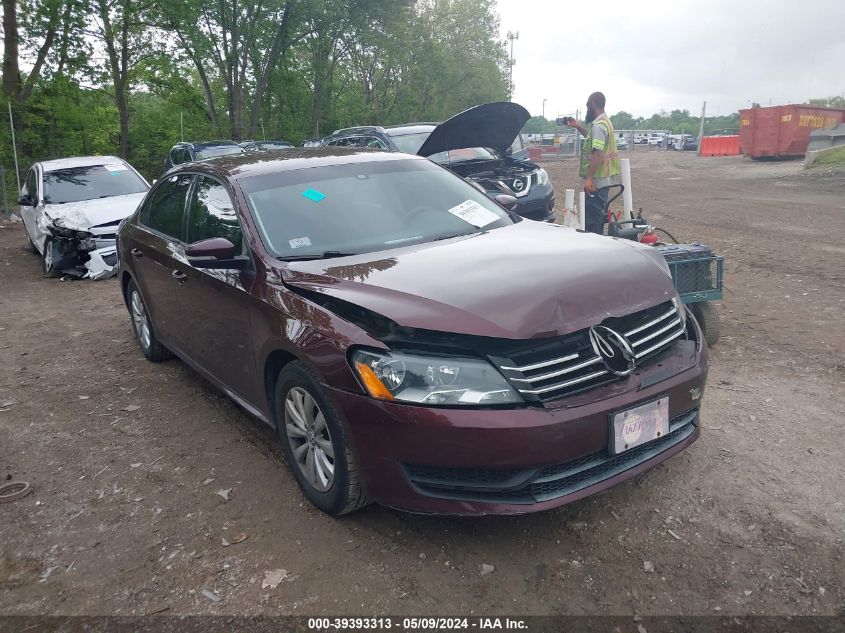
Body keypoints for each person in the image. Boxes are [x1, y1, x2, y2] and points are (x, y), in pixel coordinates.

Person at [563, 92, 621, 234]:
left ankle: (594, 248)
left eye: (588, 104)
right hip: (603, 181)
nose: (587, 107)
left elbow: (598, 154)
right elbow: (592, 136)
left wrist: (589, 178)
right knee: (598, 217)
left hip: (596, 183)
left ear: (593, 104)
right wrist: (578, 126)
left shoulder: (599, 126)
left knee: (592, 221)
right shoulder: (604, 122)